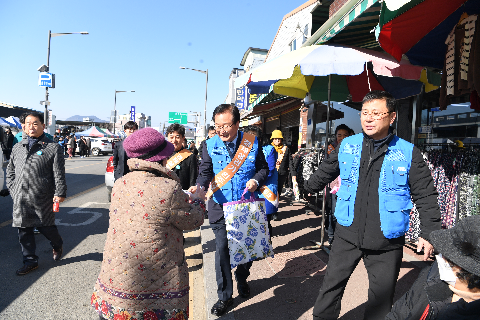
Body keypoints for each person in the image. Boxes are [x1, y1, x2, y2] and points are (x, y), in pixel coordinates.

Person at [304, 91, 441, 320]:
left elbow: (426, 195)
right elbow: (326, 170)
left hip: (386, 240)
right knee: (330, 288)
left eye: (376, 113)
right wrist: (308, 186)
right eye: (365, 113)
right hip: (347, 233)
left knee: (381, 299)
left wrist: (429, 233)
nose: (368, 118)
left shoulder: (408, 153)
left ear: (392, 117)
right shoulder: (348, 145)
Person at [91, 128, 205, 320]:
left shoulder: (121, 183)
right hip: (157, 281)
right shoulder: (169, 188)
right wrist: (199, 200)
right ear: (160, 158)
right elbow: (193, 219)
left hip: (116, 278)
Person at [189, 104, 269, 316]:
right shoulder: (208, 144)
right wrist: (199, 187)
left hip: (244, 206)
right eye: (217, 126)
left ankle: (242, 276)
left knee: (247, 248)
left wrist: (255, 179)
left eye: (226, 125)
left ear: (237, 123)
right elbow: (205, 171)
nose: (221, 130)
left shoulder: (251, 142)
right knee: (222, 250)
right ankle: (224, 296)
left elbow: (263, 168)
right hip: (219, 205)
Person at [6, 111, 67, 275]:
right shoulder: (18, 147)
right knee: (23, 229)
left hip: (43, 196)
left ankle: (57, 243)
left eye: (35, 123)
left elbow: (59, 173)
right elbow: (10, 171)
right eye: (27, 123)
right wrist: (12, 188)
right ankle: (30, 261)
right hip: (20, 197)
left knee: (46, 227)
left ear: (43, 126)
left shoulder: (52, 147)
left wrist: (60, 192)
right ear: (23, 126)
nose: (30, 127)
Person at [386, 215, 480, 319]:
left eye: (450, 258)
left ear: (471, 274)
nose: (441, 258)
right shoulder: (431, 276)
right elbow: (399, 313)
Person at [243, 125, 278, 238]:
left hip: (265, 190)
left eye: (253, 138)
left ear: (260, 139)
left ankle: (266, 247)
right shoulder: (242, 152)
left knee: (264, 221)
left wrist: (254, 181)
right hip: (249, 190)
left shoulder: (269, 149)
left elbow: (270, 170)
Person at [326, 124, 353, 247]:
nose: (342, 137)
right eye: (339, 135)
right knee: (334, 211)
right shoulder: (331, 148)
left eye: (345, 135)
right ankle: (332, 235)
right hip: (334, 185)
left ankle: (343, 237)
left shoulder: (354, 148)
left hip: (349, 184)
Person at [270, 129, 296, 220]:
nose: (277, 141)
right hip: (271, 175)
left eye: (279, 139)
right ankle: (270, 210)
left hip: (281, 175)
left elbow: (290, 163)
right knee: (271, 192)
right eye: (275, 139)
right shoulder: (269, 148)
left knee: (278, 193)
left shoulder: (286, 149)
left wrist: (293, 175)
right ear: (272, 139)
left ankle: (275, 211)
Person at [165, 123, 198, 190]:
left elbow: (192, 180)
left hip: (182, 195)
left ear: (183, 138)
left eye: (177, 137)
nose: (174, 140)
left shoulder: (190, 156)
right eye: (171, 137)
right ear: (167, 138)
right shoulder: (162, 155)